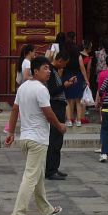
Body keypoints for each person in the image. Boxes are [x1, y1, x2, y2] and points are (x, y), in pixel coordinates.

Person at [4, 56, 65, 215]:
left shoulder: (23, 87)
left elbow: (15, 110)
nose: (49, 72)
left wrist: (11, 132)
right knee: (31, 177)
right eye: (45, 68)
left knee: (37, 175)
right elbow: (48, 113)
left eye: (49, 68)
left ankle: (46, 209)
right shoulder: (41, 89)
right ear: (35, 71)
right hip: (38, 139)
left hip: (25, 138)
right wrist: (60, 126)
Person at [44, 50, 69, 180]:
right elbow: (52, 90)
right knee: (54, 139)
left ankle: (55, 167)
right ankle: (50, 170)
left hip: (59, 106)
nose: (64, 66)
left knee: (58, 140)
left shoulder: (55, 72)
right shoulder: (51, 72)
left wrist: (66, 84)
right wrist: (64, 85)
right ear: (59, 60)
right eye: (64, 63)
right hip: (55, 106)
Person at [61, 42, 86, 126]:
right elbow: (82, 67)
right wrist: (86, 79)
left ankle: (69, 120)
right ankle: (78, 120)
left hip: (67, 76)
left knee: (68, 100)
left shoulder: (65, 55)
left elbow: (61, 67)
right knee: (78, 100)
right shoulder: (78, 55)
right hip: (77, 76)